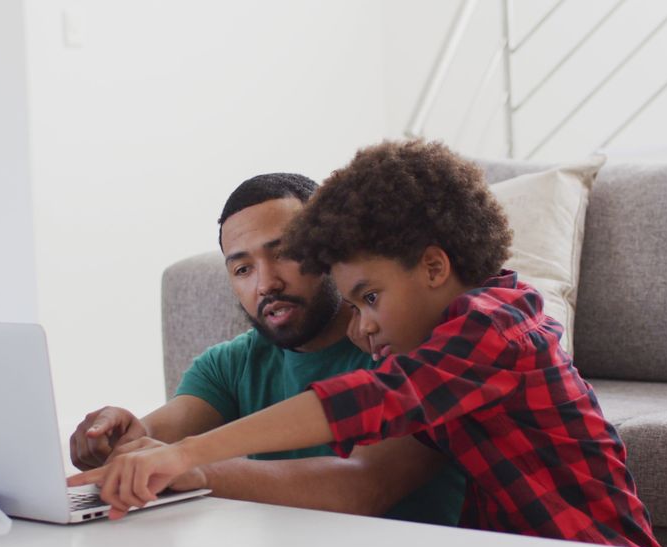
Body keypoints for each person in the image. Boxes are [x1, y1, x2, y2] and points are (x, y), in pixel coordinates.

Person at [72, 142, 667, 547]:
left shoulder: (494, 327)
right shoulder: (441, 347)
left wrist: (188, 457)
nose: (362, 327)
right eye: (242, 266)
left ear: (434, 267)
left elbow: (371, 410)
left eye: (370, 298)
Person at [68, 173, 466, 525]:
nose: (266, 283)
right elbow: (157, 438)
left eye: (285, 254)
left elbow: (364, 485)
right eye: (243, 269)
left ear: (332, 250)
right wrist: (119, 441)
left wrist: (200, 471)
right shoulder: (229, 364)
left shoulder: (404, 341)